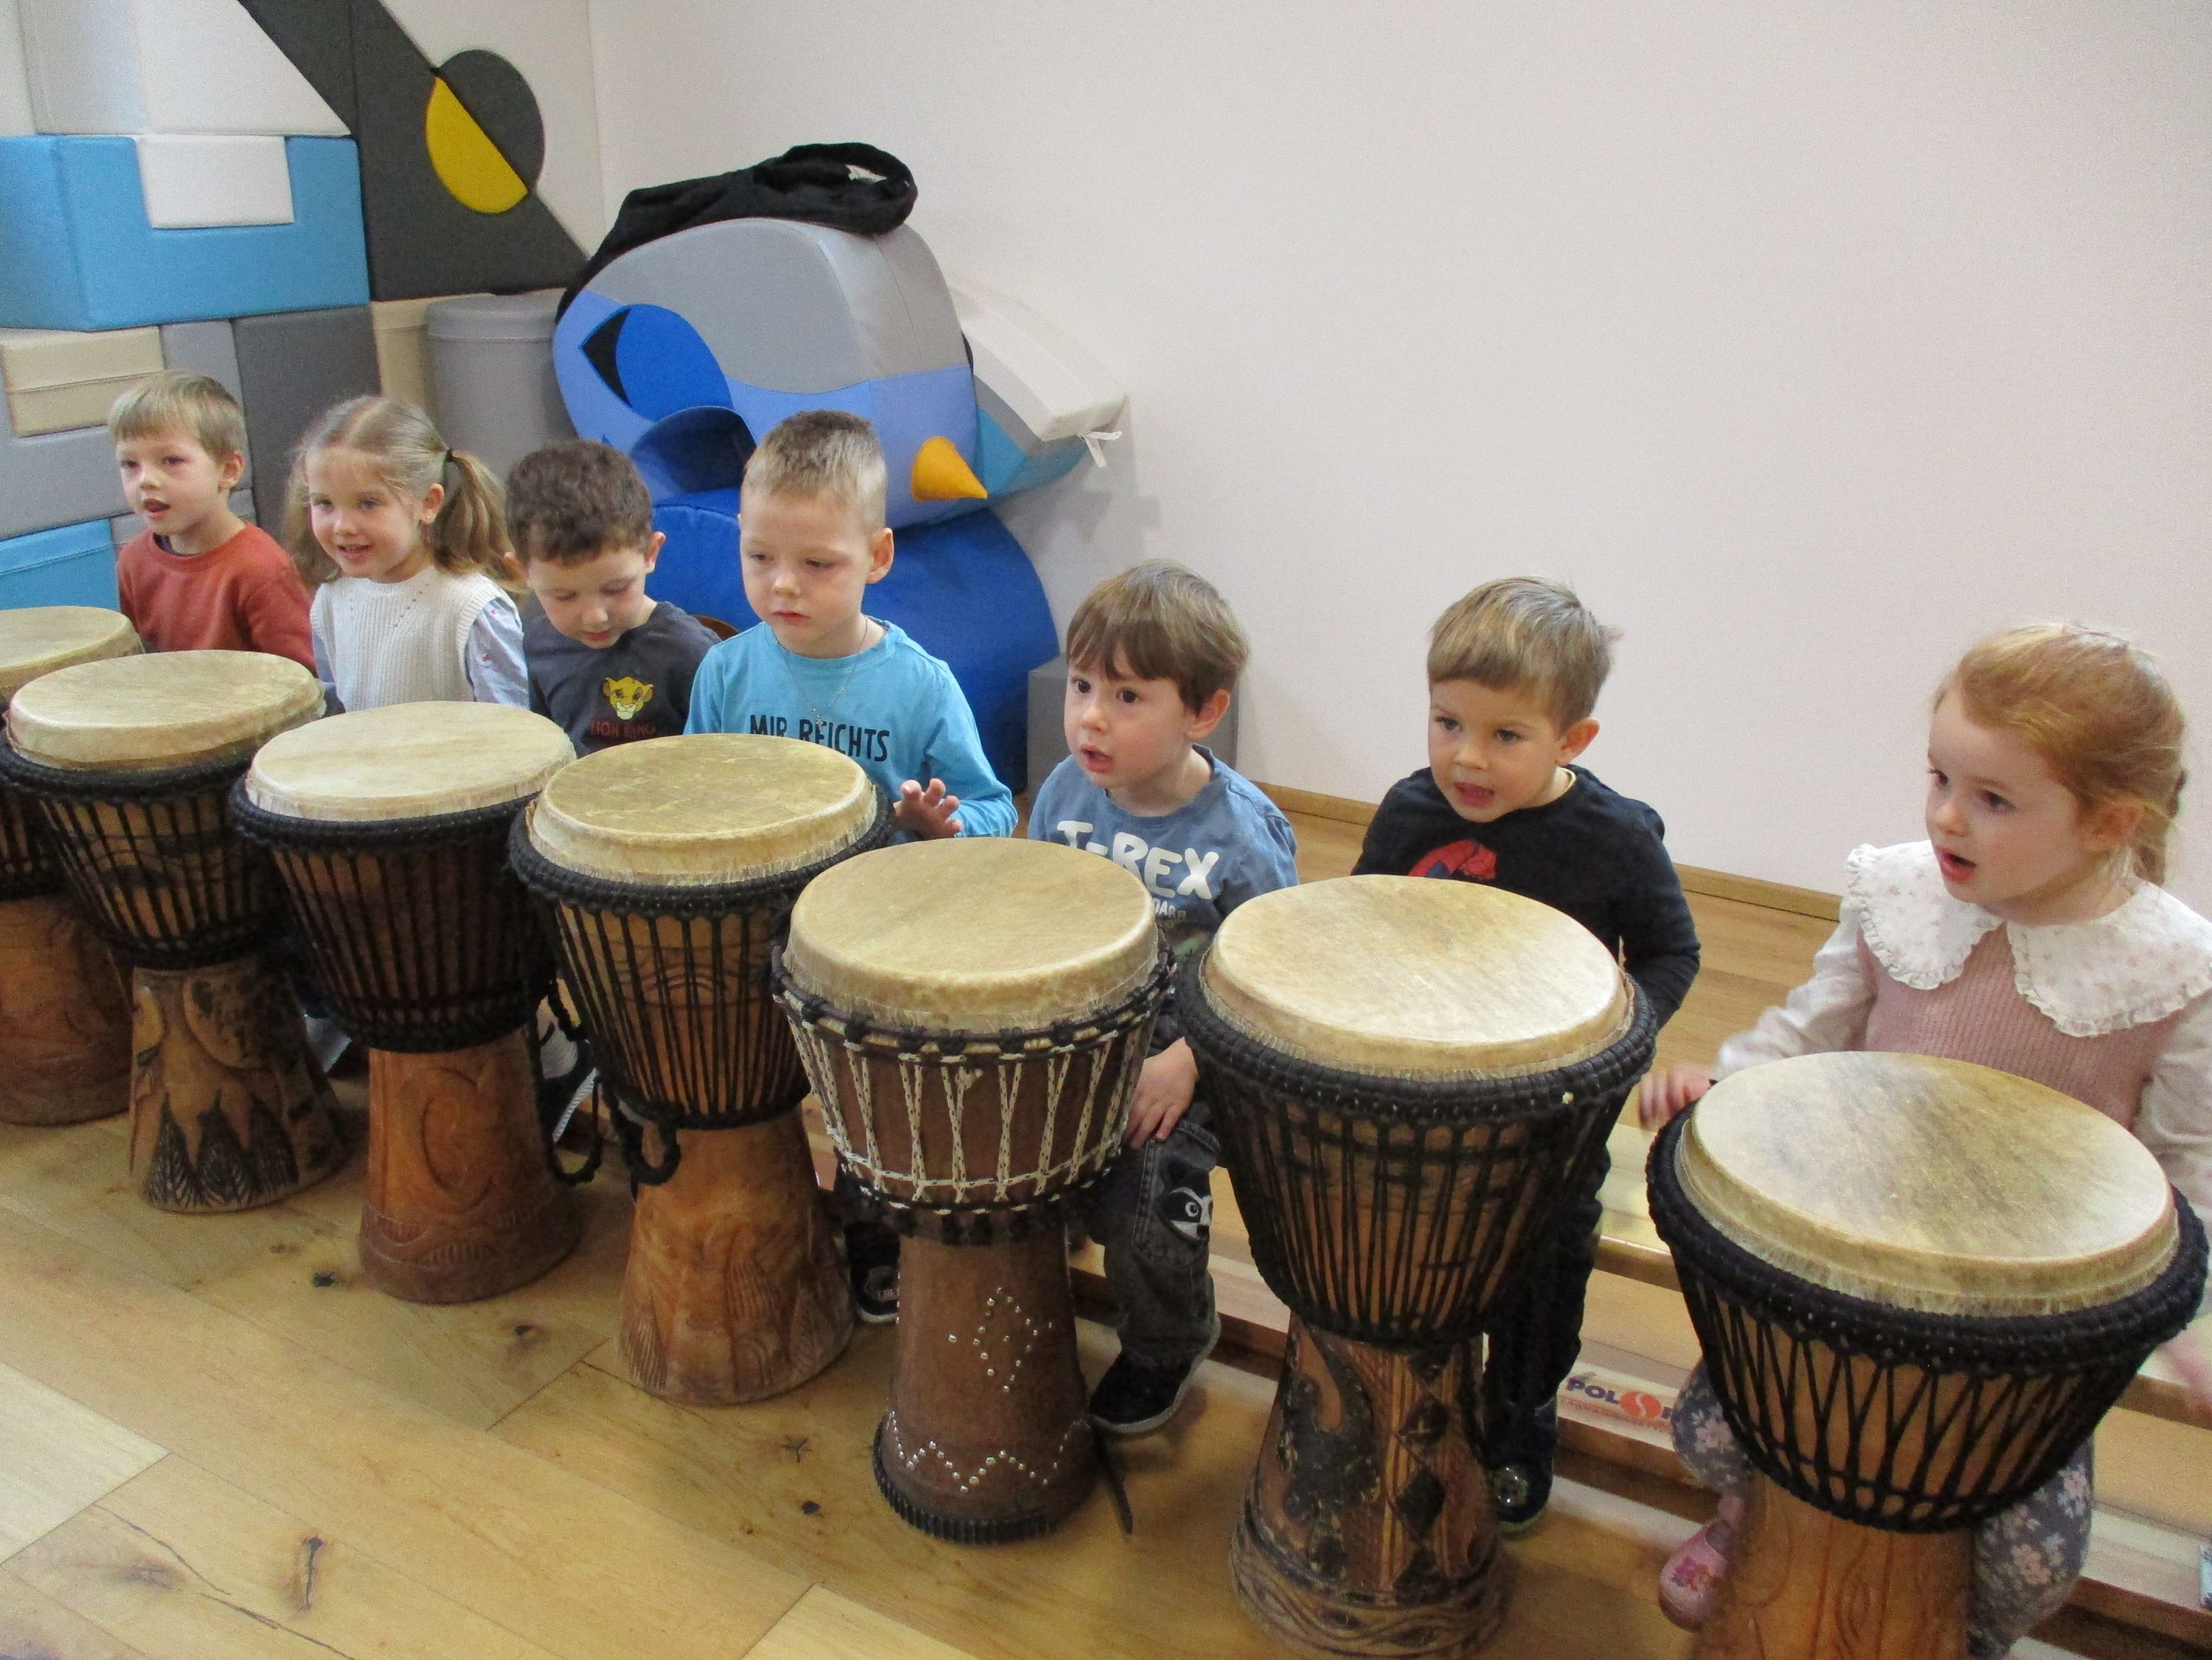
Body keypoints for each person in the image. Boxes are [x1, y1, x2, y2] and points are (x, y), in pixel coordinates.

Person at [1640, 623, 2212, 1655]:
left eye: (1992, 799)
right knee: (1716, 1434)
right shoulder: (1897, 893)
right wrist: (1725, 1087)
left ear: (2108, 821)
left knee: (2029, 1562)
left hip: (2028, 1321)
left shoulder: (2169, 969)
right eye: (1939, 778)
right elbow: (1809, 1030)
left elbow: (2187, 1169)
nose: (1945, 814)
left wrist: (2196, 1326)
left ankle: (1960, 1629)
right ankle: (1741, 1522)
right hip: (1854, 1256)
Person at [1353, 576, 1700, 1529]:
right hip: (1428, 1093)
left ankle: (1519, 1412)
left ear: (1571, 740)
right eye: (1446, 723)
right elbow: (1358, 921)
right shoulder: (1409, 811)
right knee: (1410, 1252)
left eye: (1505, 735)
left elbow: (1670, 953)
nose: (1466, 757)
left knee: (1544, 1268)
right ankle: (1412, 1381)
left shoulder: (1613, 840)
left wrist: (1616, 1037)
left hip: (1551, 1117)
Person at [687, 409, 1016, 1321]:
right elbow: (694, 791)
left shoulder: (919, 683)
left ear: (877, 556)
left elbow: (995, 808)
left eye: (817, 563)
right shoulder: (725, 673)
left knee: (872, 1106)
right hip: (759, 927)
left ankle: (873, 1235)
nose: (782, 584)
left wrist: (943, 825)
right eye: (759, 557)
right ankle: (758, 1209)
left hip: (877, 942)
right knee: (745, 1084)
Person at [1029, 561, 1298, 1433]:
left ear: (1203, 712)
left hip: (1197, 1056)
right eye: (1081, 686)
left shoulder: (1242, 837)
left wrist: (1187, 1060)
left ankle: (1165, 1340)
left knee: (1148, 1193)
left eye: (1126, 696)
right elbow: (1041, 921)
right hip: (1090, 1035)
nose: (1089, 717)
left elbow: (1269, 983)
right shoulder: (1064, 793)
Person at [282, 395, 527, 713]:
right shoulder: (332, 597)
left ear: (428, 503)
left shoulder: (470, 608)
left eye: (368, 504)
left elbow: (515, 729)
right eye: (324, 503)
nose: (342, 526)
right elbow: (337, 713)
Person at [508, 439, 716, 753]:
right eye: (564, 596)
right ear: (523, 572)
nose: (595, 617)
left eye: (615, 589)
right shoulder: (540, 645)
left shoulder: (691, 653)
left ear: (650, 553)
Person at [109, 372, 313, 670]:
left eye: (171, 461)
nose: (146, 480)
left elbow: (302, 680)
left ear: (228, 470)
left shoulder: (261, 570)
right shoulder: (133, 560)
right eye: (130, 464)